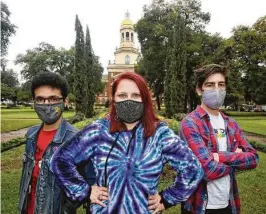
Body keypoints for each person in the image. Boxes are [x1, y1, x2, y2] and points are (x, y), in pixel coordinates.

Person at [50, 72, 203, 214]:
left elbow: (192, 168)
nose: (129, 100)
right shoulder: (99, 130)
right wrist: (85, 192)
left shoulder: (160, 133)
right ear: (114, 100)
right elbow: (60, 160)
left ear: (144, 99)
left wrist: (167, 199)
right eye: (122, 95)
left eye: (135, 95)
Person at [179, 64, 259, 214]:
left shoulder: (231, 124)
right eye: (210, 85)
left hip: (228, 202)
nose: (217, 89)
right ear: (199, 89)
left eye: (221, 85)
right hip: (200, 206)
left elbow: (254, 158)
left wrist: (217, 157)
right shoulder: (190, 123)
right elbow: (207, 170)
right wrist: (237, 159)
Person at [18, 72, 95, 214]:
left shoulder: (78, 140)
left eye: (53, 99)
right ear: (34, 102)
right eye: (40, 99)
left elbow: (92, 187)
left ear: (65, 101)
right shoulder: (31, 135)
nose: (46, 104)